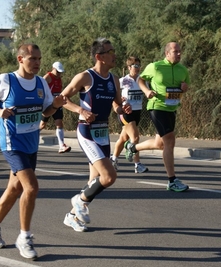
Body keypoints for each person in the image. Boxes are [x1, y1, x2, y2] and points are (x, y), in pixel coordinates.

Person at [0, 44, 65, 259]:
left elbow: (46, 111)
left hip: (31, 143)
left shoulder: (41, 82)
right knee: (32, 187)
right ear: (20, 58)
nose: (36, 62)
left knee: (14, 189)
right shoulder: (7, 80)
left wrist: (55, 105)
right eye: (32, 58)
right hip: (12, 143)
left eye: (39, 58)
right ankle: (24, 237)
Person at [60, 37, 131, 232]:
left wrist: (122, 108)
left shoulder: (114, 79)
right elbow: (62, 99)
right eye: (110, 52)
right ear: (99, 56)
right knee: (109, 177)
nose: (114, 54)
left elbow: (116, 105)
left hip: (103, 132)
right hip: (87, 131)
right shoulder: (85, 77)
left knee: (94, 181)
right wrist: (80, 111)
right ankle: (78, 201)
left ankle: (72, 216)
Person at [124, 42, 190, 192]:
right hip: (157, 107)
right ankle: (172, 180)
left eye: (180, 51)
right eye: (175, 51)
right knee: (170, 140)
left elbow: (185, 86)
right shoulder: (155, 66)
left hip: (172, 108)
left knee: (160, 144)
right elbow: (140, 79)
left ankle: (133, 147)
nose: (179, 54)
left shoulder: (183, 69)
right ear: (167, 53)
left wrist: (184, 88)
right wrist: (147, 91)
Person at [110, 57, 148, 173]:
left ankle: (114, 159)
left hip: (137, 112)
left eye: (138, 66)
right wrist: (117, 106)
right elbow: (113, 97)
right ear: (129, 67)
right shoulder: (123, 81)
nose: (137, 68)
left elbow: (148, 93)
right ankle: (138, 165)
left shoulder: (142, 80)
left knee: (123, 138)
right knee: (135, 138)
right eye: (135, 66)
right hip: (125, 113)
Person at [40, 61, 71, 153]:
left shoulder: (59, 78)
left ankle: (61, 145)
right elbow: (40, 89)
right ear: (53, 69)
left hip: (57, 104)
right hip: (48, 104)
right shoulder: (47, 77)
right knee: (42, 125)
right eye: (58, 72)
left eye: (60, 72)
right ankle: (30, 138)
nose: (59, 74)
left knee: (59, 122)